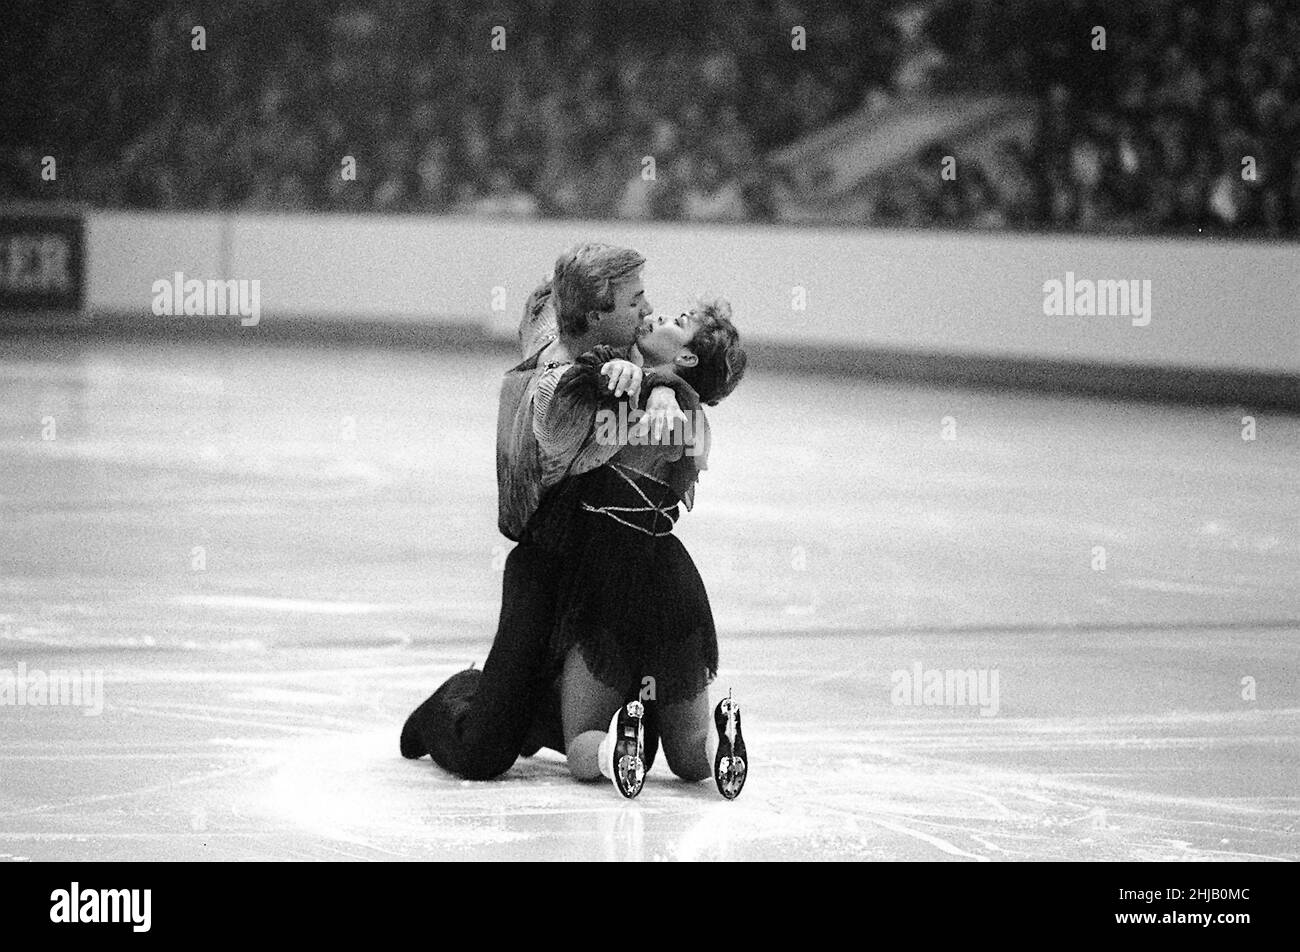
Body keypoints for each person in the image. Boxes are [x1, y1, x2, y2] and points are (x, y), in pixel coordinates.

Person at [400, 243, 688, 779]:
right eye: (635, 301)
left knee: (635, 746)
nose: (648, 309)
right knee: (485, 755)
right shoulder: (557, 389)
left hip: (603, 566)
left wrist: (661, 386)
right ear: (597, 315)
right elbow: (585, 382)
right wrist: (647, 384)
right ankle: (448, 702)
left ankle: (533, 713)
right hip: (545, 565)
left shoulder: (588, 327)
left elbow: (672, 359)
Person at [528, 296, 749, 799]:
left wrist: (659, 385)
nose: (658, 315)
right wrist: (660, 384)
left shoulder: (657, 405)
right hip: (671, 581)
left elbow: (588, 386)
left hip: (610, 576)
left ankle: (611, 754)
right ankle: (719, 748)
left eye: (678, 322)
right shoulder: (687, 416)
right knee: (690, 757)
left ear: (687, 359)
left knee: (580, 735)